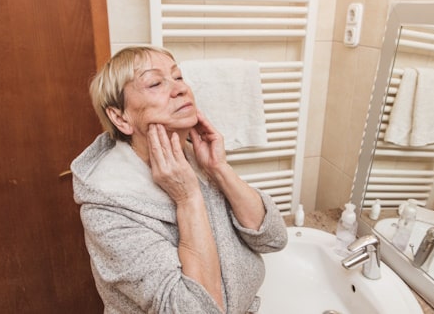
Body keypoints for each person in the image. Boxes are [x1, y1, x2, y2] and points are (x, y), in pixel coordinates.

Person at [71, 46, 288, 314]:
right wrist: (187, 198)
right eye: (154, 83)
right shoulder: (108, 206)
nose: (180, 89)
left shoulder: (195, 159)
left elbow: (272, 239)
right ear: (120, 117)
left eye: (179, 77)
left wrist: (219, 168)